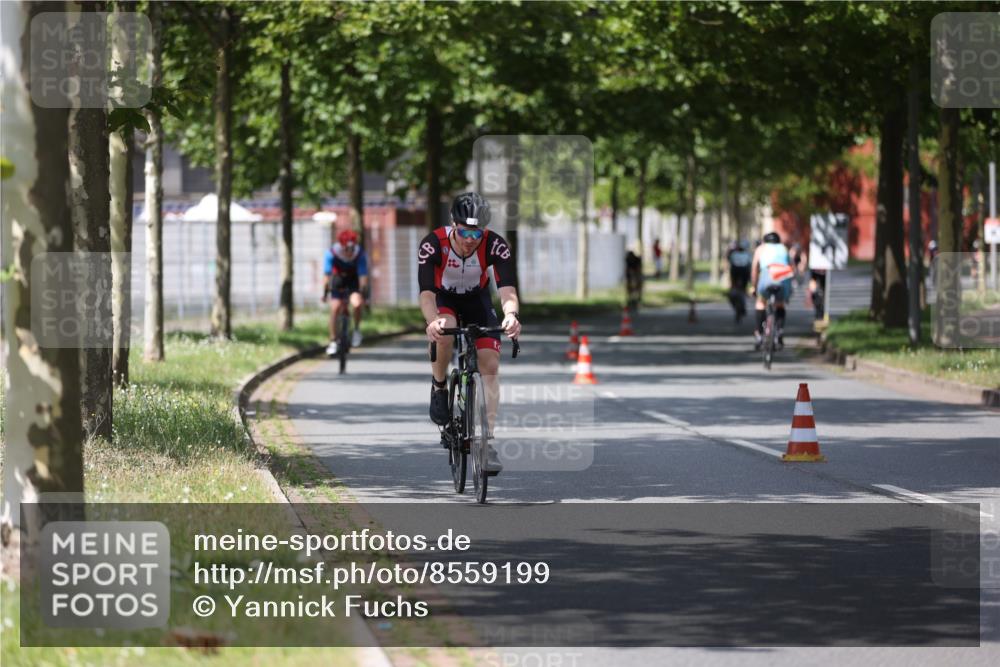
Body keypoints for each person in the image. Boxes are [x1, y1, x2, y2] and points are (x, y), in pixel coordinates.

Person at [419, 192, 521, 474]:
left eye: (476, 233)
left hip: (478, 300)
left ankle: (487, 441)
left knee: (490, 364)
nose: (469, 239)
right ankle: (439, 385)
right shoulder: (433, 244)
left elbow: (507, 290)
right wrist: (432, 321)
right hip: (444, 299)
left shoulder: (495, 245)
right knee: (445, 331)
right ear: (453, 224)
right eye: (464, 231)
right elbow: (426, 294)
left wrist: (511, 314)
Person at [322, 228, 368, 356]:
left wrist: (363, 294)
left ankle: (357, 330)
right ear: (341, 246)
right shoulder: (332, 253)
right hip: (338, 279)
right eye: (346, 249)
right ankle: (332, 341)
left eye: (352, 249)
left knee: (356, 303)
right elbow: (326, 276)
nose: (349, 252)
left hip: (353, 280)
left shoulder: (359, 254)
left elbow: (363, 277)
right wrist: (325, 293)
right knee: (335, 308)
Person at [750, 231, 795, 349]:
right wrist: (789, 290)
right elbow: (791, 268)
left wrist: (754, 287)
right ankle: (779, 331)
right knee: (780, 304)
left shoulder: (761, 248)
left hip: (766, 277)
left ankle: (759, 334)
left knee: (760, 302)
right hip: (782, 278)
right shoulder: (784, 248)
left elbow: (754, 268)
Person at [726, 240, 752, 322]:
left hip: (736, 274)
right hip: (743, 274)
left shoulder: (734, 254)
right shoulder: (748, 255)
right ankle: (742, 307)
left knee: (734, 292)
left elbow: (728, 262)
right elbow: (750, 266)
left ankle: (740, 307)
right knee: (742, 291)